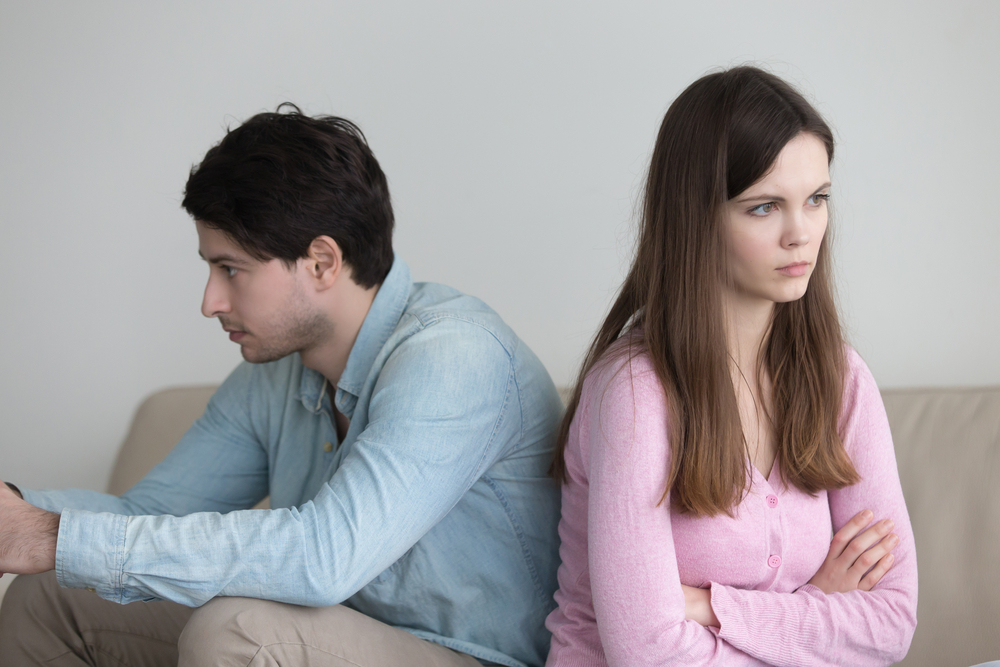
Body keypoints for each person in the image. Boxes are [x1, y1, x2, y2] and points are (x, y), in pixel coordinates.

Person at [0, 105, 564, 667]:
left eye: (232, 269)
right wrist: (20, 514)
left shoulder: (456, 358)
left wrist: (54, 538)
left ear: (321, 261)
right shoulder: (273, 373)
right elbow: (150, 510)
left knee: (241, 633)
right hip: (329, 634)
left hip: (475, 657)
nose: (210, 302)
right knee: (53, 595)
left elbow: (325, 556)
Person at [544, 67, 918, 666]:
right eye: (764, 207)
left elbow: (892, 622)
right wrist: (817, 606)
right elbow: (649, 655)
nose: (802, 234)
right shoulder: (635, 393)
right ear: (697, 217)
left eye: (817, 199)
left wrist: (712, 607)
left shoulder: (840, 380)